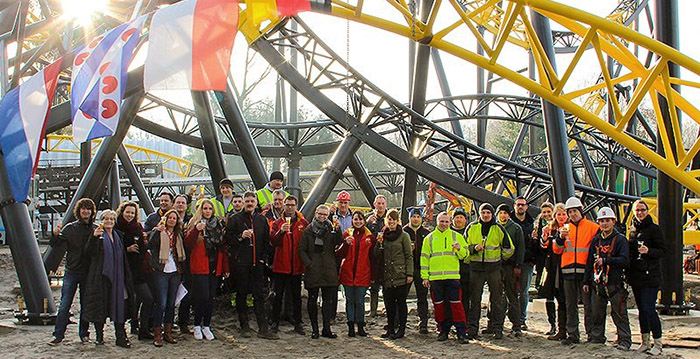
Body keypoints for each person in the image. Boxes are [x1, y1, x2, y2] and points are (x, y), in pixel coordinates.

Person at [225, 192, 278, 340]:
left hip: (257, 264)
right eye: (246, 201)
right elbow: (227, 239)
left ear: (256, 203)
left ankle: (263, 328)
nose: (249, 203)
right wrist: (240, 237)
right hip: (241, 263)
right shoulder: (235, 219)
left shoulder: (261, 219)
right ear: (242, 202)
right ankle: (244, 326)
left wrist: (263, 259)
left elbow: (267, 241)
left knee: (259, 295)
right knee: (241, 294)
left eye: (251, 201)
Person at [48, 198, 96, 345]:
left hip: (88, 272)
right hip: (72, 270)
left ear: (92, 212)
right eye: (83, 209)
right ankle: (58, 335)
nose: (86, 211)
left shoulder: (94, 229)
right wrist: (55, 234)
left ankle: (84, 333)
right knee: (64, 304)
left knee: (85, 304)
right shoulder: (70, 228)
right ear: (79, 211)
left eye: (89, 209)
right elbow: (55, 244)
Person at [584, 207, 631, 350]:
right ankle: (597, 338)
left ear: (613, 222)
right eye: (602, 221)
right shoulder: (596, 240)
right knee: (597, 312)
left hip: (615, 282)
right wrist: (586, 281)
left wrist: (606, 261)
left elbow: (624, 260)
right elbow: (588, 262)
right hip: (598, 283)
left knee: (619, 313)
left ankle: (624, 340)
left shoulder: (620, 240)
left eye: (607, 221)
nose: (604, 224)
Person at [83, 210, 132, 348]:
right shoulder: (97, 235)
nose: (109, 221)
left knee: (119, 304)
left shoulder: (118, 236)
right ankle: (99, 336)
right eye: (106, 219)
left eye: (111, 219)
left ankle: (120, 336)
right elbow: (89, 252)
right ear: (101, 220)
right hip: (101, 276)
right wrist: (93, 238)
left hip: (118, 276)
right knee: (101, 306)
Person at [554, 196, 598, 345]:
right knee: (570, 305)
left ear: (581, 210)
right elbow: (557, 250)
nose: (573, 214)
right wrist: (560, 238)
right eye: (570, 212)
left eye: (575, 211)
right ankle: (572, 334)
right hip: (568, 272)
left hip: (585, 272)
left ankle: (591, 334)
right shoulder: (564, 229)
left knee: (588, 305)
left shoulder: (593, 228)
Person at [465, 203, 513, 340]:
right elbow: (464, 247)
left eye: (488, 213)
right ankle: (473, 329)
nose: (485, 215)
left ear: (492, 214)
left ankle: (496, 328)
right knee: (474, 300)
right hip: (476, 269)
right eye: (483, 212)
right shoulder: (472, 227)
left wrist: (499, 260)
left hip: (493, 269)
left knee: (496, 300)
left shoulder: (499, 229)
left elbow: (509, 248)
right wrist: (474, 249)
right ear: (479, 214)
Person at [420, 211, 469, 344]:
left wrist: (460, 249)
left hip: (452, 277)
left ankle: (461, 332)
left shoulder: (457, 236)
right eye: (442, 221)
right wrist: (425, 277)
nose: (444, 224)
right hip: (436, 279)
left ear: (450, 222)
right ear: (437, 222)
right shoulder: (429, 238)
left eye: (447, 221)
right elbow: (424, 259)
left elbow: (465, 255)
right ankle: (443, 330)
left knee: (456, 305)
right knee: (439, 306)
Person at [184, 199, 229, 341]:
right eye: (205, 208)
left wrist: (225, 267)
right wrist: (196, 230)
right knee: (201, 296)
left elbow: (223, 247)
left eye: (210, 208)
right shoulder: (195, 224)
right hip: (200, 265)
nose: (207, 211)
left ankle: (207, 325)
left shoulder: (217, 224)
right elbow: (188, 244)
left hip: (214, 266)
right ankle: (197, 324)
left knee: (210, 297)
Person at [299, 205, 343, 339]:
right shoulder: (308, 230)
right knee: (312, 300)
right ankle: (315, 329)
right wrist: (309, 264)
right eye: (320, 214)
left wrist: (338, 229)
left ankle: (326, 328)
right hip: (314, 269)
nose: (322, 217)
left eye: (325, 214)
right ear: (316, 213)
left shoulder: (331, 228)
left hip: (328, 269)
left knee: (328, 301)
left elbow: (338, 242)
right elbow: (302, 249)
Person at [628, 200, 665, 355]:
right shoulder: (633, 230)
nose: (640, 213)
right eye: (637, 210)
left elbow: (662, 251)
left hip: (651, 275)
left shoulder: (654, 229)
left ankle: (658, 342)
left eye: (642, 210)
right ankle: (645, 341)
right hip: (637, 275)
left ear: (647, 211)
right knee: (641, 310)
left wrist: (648, 251)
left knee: (649, 308)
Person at [269, 195, 308, 335]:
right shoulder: (277, 222)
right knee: (277, 296)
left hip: (296, 266)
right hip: (281, 265)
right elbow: (273, 241)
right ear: (284, 206)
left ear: (296, 206)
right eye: (288, 205)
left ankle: (298, 323)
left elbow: (307, 244)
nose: (290, 207)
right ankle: (275, 323)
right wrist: (281, 232)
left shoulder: (303, 223)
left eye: (292, 205)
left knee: (296, 297)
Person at [115, 201, 154, 341]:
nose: (130, 215)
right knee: (126, 302)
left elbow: (144, 247)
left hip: (138, 270)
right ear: (122, 212)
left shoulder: (138, 227)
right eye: (127, 212)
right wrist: (127, 249)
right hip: (123, 271)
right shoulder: (116, 227)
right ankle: (125, 329)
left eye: (132, 213)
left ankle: (142, 328)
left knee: (147, 299)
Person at [148, 209, 186, 347]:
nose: (171, 220)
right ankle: (157, 333)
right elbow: (150, 245)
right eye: (169, 217)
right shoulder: (158, 231)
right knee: (161, 303)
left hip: (175, 271)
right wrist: (157, 232)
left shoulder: (178, 234)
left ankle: (168, 333)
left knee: (171, 303)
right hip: (161, 271)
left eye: (174, 218)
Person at [375, 209, 413, 339]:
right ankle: (390, 328)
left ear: (398, 221)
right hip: (387, 275)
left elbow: (408, 255)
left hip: (400, 275)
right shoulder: (383, 236)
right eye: (389, 219)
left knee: (401, 303)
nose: (391, 222)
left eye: (393, 220)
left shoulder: (404, 236)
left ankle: (401, 329)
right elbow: (376, 255)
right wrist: (378, 244)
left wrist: (409, 273)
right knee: (389, 304)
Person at [336, 210, 374, 337]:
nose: (358, 222)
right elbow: (340, 253)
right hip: (348, 272)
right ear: (352, 220)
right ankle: (351, 326)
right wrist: (345, 244)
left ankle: (361, 326)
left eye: (360, 219)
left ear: (364, 221)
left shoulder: (370, 236)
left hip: (363, 272)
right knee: (350, 301)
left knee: (360, 301)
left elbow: (373, 256)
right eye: (355, 219)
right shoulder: (347, 233)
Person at [533, 202, 566, 338]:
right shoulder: (546, 228)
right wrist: (542, 238)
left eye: (563, 214)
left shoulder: (567, 228)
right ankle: (553, 324)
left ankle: (563, 326)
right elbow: (542, 246)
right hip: (548, 263)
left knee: (562, 296)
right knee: (549, 295)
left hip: (563, 263)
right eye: (559, 214)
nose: (561, 216)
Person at [492, 203, 524, 337]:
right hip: (496, 266)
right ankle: (494, 323)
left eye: (505, 213)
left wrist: (518, 266)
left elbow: (520, 248)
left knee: (512, 296)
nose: (503, 215)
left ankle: (516, 325)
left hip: (510, 267)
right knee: (496, 296)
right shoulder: (494, 227)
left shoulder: (516, 228)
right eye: (500, 213)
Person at [511, 196, 539, 330]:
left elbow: (536, 244)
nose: (520, 207)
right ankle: (510, 318)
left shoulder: (533, 224)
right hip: (510, 262)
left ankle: (521, 319)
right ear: (514, 206)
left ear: (527, 207)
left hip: (527, 262)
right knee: (508, 291)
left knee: (523, 292)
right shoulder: (508, 222)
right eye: (518, 205)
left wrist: (534, 259)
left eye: (523, 205)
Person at [403, 206, 430, 334]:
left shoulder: (426, 233)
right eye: (413, 216)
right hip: (406, 269)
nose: (415, 219)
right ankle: (399, 321)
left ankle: (423, 322)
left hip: (421, 269)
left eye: (418, 217)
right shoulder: (404, 232)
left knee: (422, 297)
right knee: (402, 297)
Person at [173, 194, 193, 334]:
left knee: (187, 294)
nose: (180, 205)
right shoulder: (170, 220)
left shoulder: (190, 221)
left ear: (186, 206)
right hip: (172, 262)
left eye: (183, 203)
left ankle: (183, 322)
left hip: (188, 261)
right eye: (178, 202)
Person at [366, 194, 388, 317]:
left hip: (385, 255)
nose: (380, 206)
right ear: (374, 204)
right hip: (373, 256)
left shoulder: (389, 219)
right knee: (373, 285)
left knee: (386, 284)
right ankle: (373, 310)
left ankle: (386, 308)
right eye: (378, 203)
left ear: (386, 205)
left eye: (382, 203)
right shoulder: (370, 219)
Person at [450, 207, 470, 328]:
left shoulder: (469, 232)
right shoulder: (449, 233)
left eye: (461, 217)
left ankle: (464, 322)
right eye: (456, 217)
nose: (458, 220)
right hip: (451, 271)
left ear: (465, 219)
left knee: (465, 299)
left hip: (466, 271)